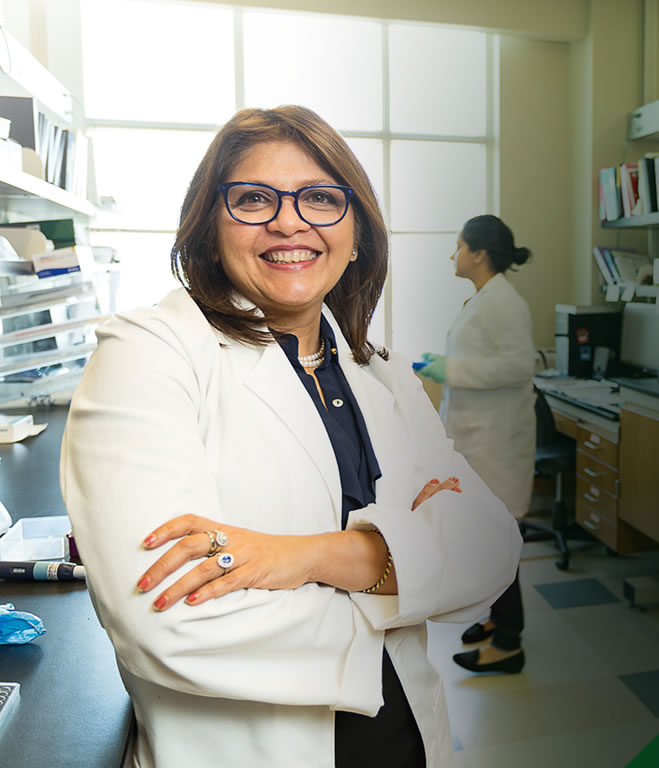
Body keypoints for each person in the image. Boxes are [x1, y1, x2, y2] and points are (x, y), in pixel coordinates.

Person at [60, 106, 521, 768]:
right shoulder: (148, 353)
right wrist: (406, 577)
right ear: (208, 227)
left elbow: (491, 547)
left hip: (410, 742)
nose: (289, 220)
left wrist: (305, 558)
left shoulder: (379, 370)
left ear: (355, 230)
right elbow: (170, 621)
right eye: (252, 199)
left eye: (321, 199)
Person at [419, 215, 536, 675]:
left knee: (496, 541)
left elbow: (517, 366)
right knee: (486, 537)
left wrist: (452, 371)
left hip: (497, 445)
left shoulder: (503, 301)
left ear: (479, 254)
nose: (453, 255)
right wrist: (447, 364)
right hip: (479, 437)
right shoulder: (486, 298)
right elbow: (485, 357)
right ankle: (493, 618)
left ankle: (510, 644)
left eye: (458, 246)